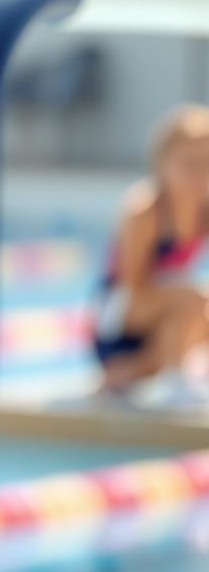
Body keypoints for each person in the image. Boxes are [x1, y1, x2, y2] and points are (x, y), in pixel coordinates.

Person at [90, 102, 209, 406]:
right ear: (162, 163)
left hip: (162, 313)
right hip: (119, 314)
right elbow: (134, 288)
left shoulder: (203, 210)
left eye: (205, 164)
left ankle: (125, 375)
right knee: (195, 299)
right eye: (188, 164)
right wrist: (187, 299)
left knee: (197, 303)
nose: (197, 174)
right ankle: (174, 378)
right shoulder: (145, 210)